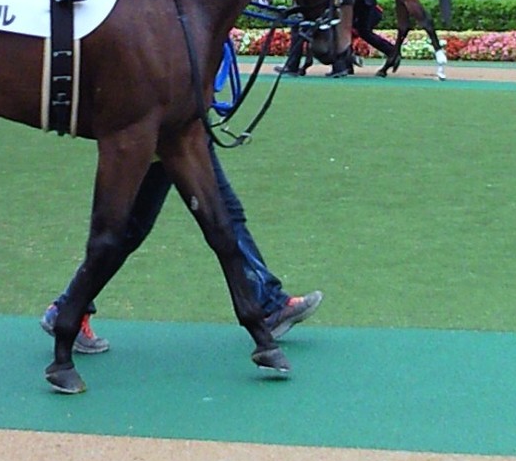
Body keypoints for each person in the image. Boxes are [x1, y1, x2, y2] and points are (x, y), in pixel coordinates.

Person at [39, 132, 325, 354]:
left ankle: (268, 302)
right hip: (168, 132)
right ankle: (68, 309)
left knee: (143, 227)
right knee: (214, 217)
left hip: (176, 127)